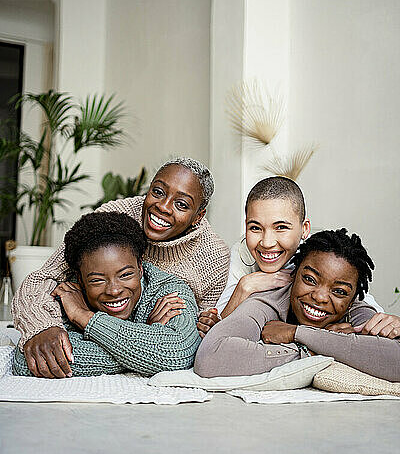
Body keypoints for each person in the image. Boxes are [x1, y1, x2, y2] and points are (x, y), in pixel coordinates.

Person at [12, 157, 230, 378]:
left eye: (181, 204)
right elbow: (44, 278)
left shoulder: (213, 257)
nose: (163, 207)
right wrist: (42, 327)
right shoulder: (114, 217)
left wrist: (201, 326)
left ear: (198, 216)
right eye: (158, 192)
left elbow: (184, 345)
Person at [197, 176, 398, 339]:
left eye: (281, 228)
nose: (267, 242)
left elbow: (357, 300)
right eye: (255, 228)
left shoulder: (315, 257)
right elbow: (218, 328)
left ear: (304, 230)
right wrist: (245, 286)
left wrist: (389, 324)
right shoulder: (241, 254)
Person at [194, 229, 400, 382]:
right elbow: (211, 357)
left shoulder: (355, 307)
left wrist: (298, 334)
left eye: (339, 291)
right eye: (310, 279)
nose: (320, 297)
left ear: (353, 297)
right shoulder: (267, 300)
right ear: (294, 274)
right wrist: (314, 351)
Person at [13, 211, 201, 378]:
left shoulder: (170, 291)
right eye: (97, 280)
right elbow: (26, 361)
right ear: (80, 278)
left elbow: (178, 351)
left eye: (126, 275)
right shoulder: (67, 292)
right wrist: (148, 343)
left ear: (140, 268)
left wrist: (84, 317)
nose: (114, 290)